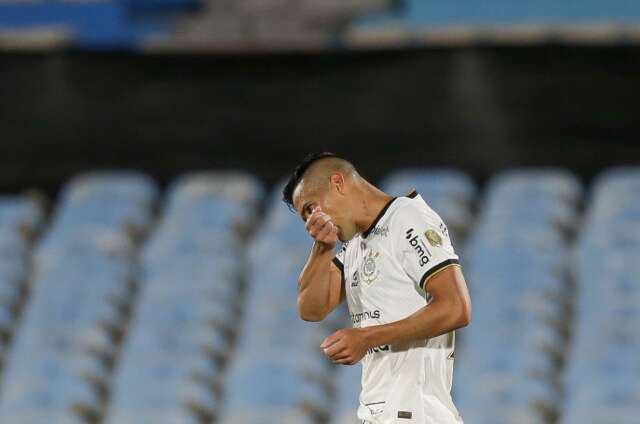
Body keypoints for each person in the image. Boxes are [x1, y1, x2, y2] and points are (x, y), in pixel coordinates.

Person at [282, 152, 472, 423]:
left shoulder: (407, 219)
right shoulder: (356, 244)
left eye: (312, 207)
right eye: (306, 217)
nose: (312, 220)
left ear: (338, 182)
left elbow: (457, 307)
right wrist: (322, 247)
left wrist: (366, 338)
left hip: (416, 413)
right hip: (380, 413)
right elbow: (311, 309)